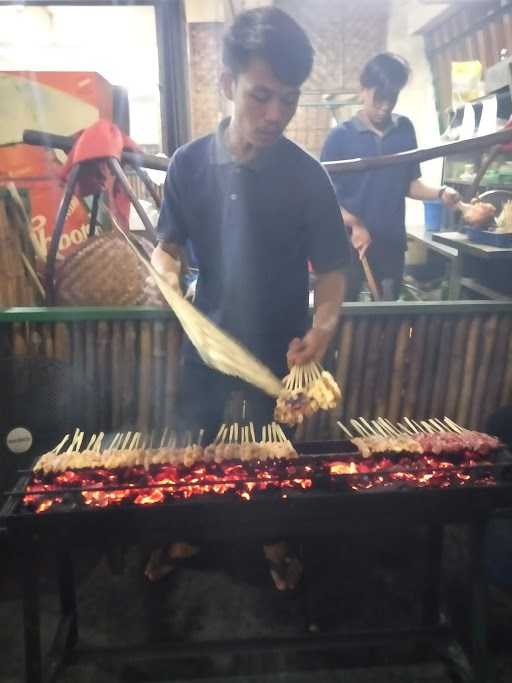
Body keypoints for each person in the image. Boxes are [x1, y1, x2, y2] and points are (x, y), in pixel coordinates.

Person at [147, 6, 351, 589]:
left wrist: (324, 328)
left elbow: (334, 270)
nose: (275, 115)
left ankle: (274, 542)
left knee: (274, 458)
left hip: (281, 349)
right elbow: (169, 242)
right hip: (206, 341)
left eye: (288, 100)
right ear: (226, 84)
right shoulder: (188, 165)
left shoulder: (307, 175)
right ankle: (184, 533)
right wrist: (162, 271)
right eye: (261, 96)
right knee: (193, 446)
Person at [321, 52, 460, 301]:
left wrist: (440, 193)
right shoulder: (339, 137)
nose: (385, 107)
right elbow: (322, 198)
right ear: (363, 89)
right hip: (348, 248)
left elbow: (409, 184)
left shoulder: (404, 130)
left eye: (392, 98)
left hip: (390, 245)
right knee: (346, 320)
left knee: (387, 319)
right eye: (379, 98)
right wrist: (355, 223)